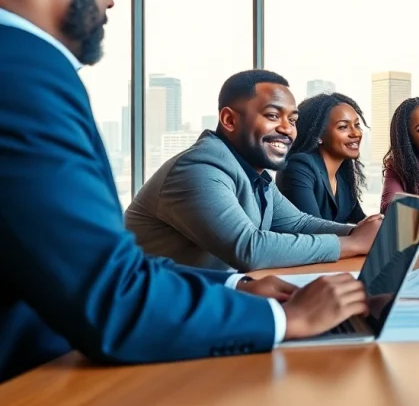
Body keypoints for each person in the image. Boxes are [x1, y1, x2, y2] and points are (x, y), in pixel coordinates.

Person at [0, 0, 367, 383]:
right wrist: (284, 317)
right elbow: (110, 297)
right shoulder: (23, 74)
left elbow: (90, 264)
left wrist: (236, 288)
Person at [125, 70, 382, 272]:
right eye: (272, 116)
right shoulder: (198, 169)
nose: (287, 129)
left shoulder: (254, 175)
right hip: (145, 318)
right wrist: (353, 243)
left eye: (292, 120)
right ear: (229, 120)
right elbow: (250, 249)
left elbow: (298, 223)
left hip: (201, 300)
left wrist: (359, 232)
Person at [276, 92, 373, 225]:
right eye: (343, 127)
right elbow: (313, 228)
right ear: (319, 136)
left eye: (356, 125)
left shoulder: (343, 172)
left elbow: (360, 220)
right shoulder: (299, 166)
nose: (355, 133)